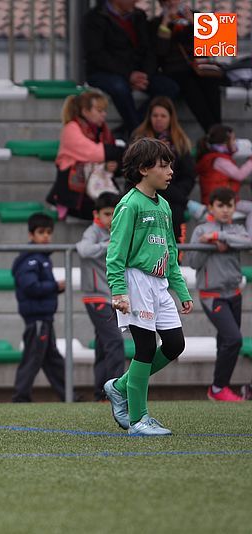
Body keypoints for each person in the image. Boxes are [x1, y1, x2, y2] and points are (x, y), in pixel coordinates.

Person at [104, 137, 192, 436]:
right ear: (143, 169)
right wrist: (119, 290)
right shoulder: (129, 205)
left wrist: (181, 290)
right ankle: (138, 420)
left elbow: (170, 252)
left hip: (159, 284)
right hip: (136, 282)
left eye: (170, 166)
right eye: (163, 166)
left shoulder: (164, 206)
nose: (170, 172)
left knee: (175, 344)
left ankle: (120, 386)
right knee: (145, 347)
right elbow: (115, 253)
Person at [186, 187, 251, 402]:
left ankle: (218, 390)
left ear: (234, 207)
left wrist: (218, 236)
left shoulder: (237, 229)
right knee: (234, 339)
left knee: (226, 341)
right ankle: (218, 388)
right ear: (211, 207)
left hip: (235, 294)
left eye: (229, 206)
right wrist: (208, 245)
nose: (225, 210)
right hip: (211, 296)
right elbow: (193, 262)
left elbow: (248, 242)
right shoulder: (200, 230)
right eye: (220, 205)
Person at [83, 0, 179, 138]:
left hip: (199, 74)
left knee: (174, 86)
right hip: (111, 72)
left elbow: (149, 51)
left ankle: (131, 130)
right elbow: (97, 55)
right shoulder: (95, 18)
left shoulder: (198, 17)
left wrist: (144, 74)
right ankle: (138, 132)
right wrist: (129, 75)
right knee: (119, 86)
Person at [11, 213, 67, 403]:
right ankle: (20, 398)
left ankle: (69, 395)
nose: (46, 236)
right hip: (37, 319)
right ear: (31, 235)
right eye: (41, 232)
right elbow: (31, 287)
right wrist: (55, 286)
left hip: (44, 318)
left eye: (49, 232)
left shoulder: (42, 258)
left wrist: (55, 288)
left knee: (53, 360)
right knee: (32, 358)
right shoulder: (31, 259)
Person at [76, 192, 126, 401]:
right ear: (96, 214)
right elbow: (83, 250)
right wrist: (109, 245)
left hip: (112, 297)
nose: (111, 219)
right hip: (97, 297)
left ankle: (101, 393)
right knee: (115, 342)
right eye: (107, 214)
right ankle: (115, 393)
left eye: (115, 214)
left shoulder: (119, 231)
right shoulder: (92, 232)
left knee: (103, 346)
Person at [48, 91, 123, 221]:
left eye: (104, 111)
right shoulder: (71, 128)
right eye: (99, 110)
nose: (104, 114)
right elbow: (94, 153)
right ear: (85, 111)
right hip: (75, 192)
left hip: (98, 182)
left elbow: (114, 158)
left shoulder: (103, 131)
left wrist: (114, 166)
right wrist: (122, 151)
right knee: (105, 210)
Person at [149, 0, 221, 132]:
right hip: (175, 70)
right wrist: (165, 24)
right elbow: (160, 52)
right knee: (191, 88)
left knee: (211, 83)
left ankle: (219, 130)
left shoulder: (198, 17)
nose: (173, 3)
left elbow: (215, 46)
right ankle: (214, 132)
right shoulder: (156, 23)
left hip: (200, 68)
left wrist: (194, 23)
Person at [132, 96, 197, 243]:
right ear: (149, 117)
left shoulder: (180, 141)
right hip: (144, 194)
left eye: (163, 116)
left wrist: (177, 193)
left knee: (175, 214)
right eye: (155, 115)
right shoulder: (138, 140)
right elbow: (134, 171)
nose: (158, 120)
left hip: (174, 198)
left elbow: (188, 175)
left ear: (170, 118)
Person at [196, 125, 252, 235]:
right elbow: (239, 175)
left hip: (221, 199)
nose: (236, 142)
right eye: (233, 139)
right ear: (225, 142)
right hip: (221, 201)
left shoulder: (214, 157)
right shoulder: (219, 160)